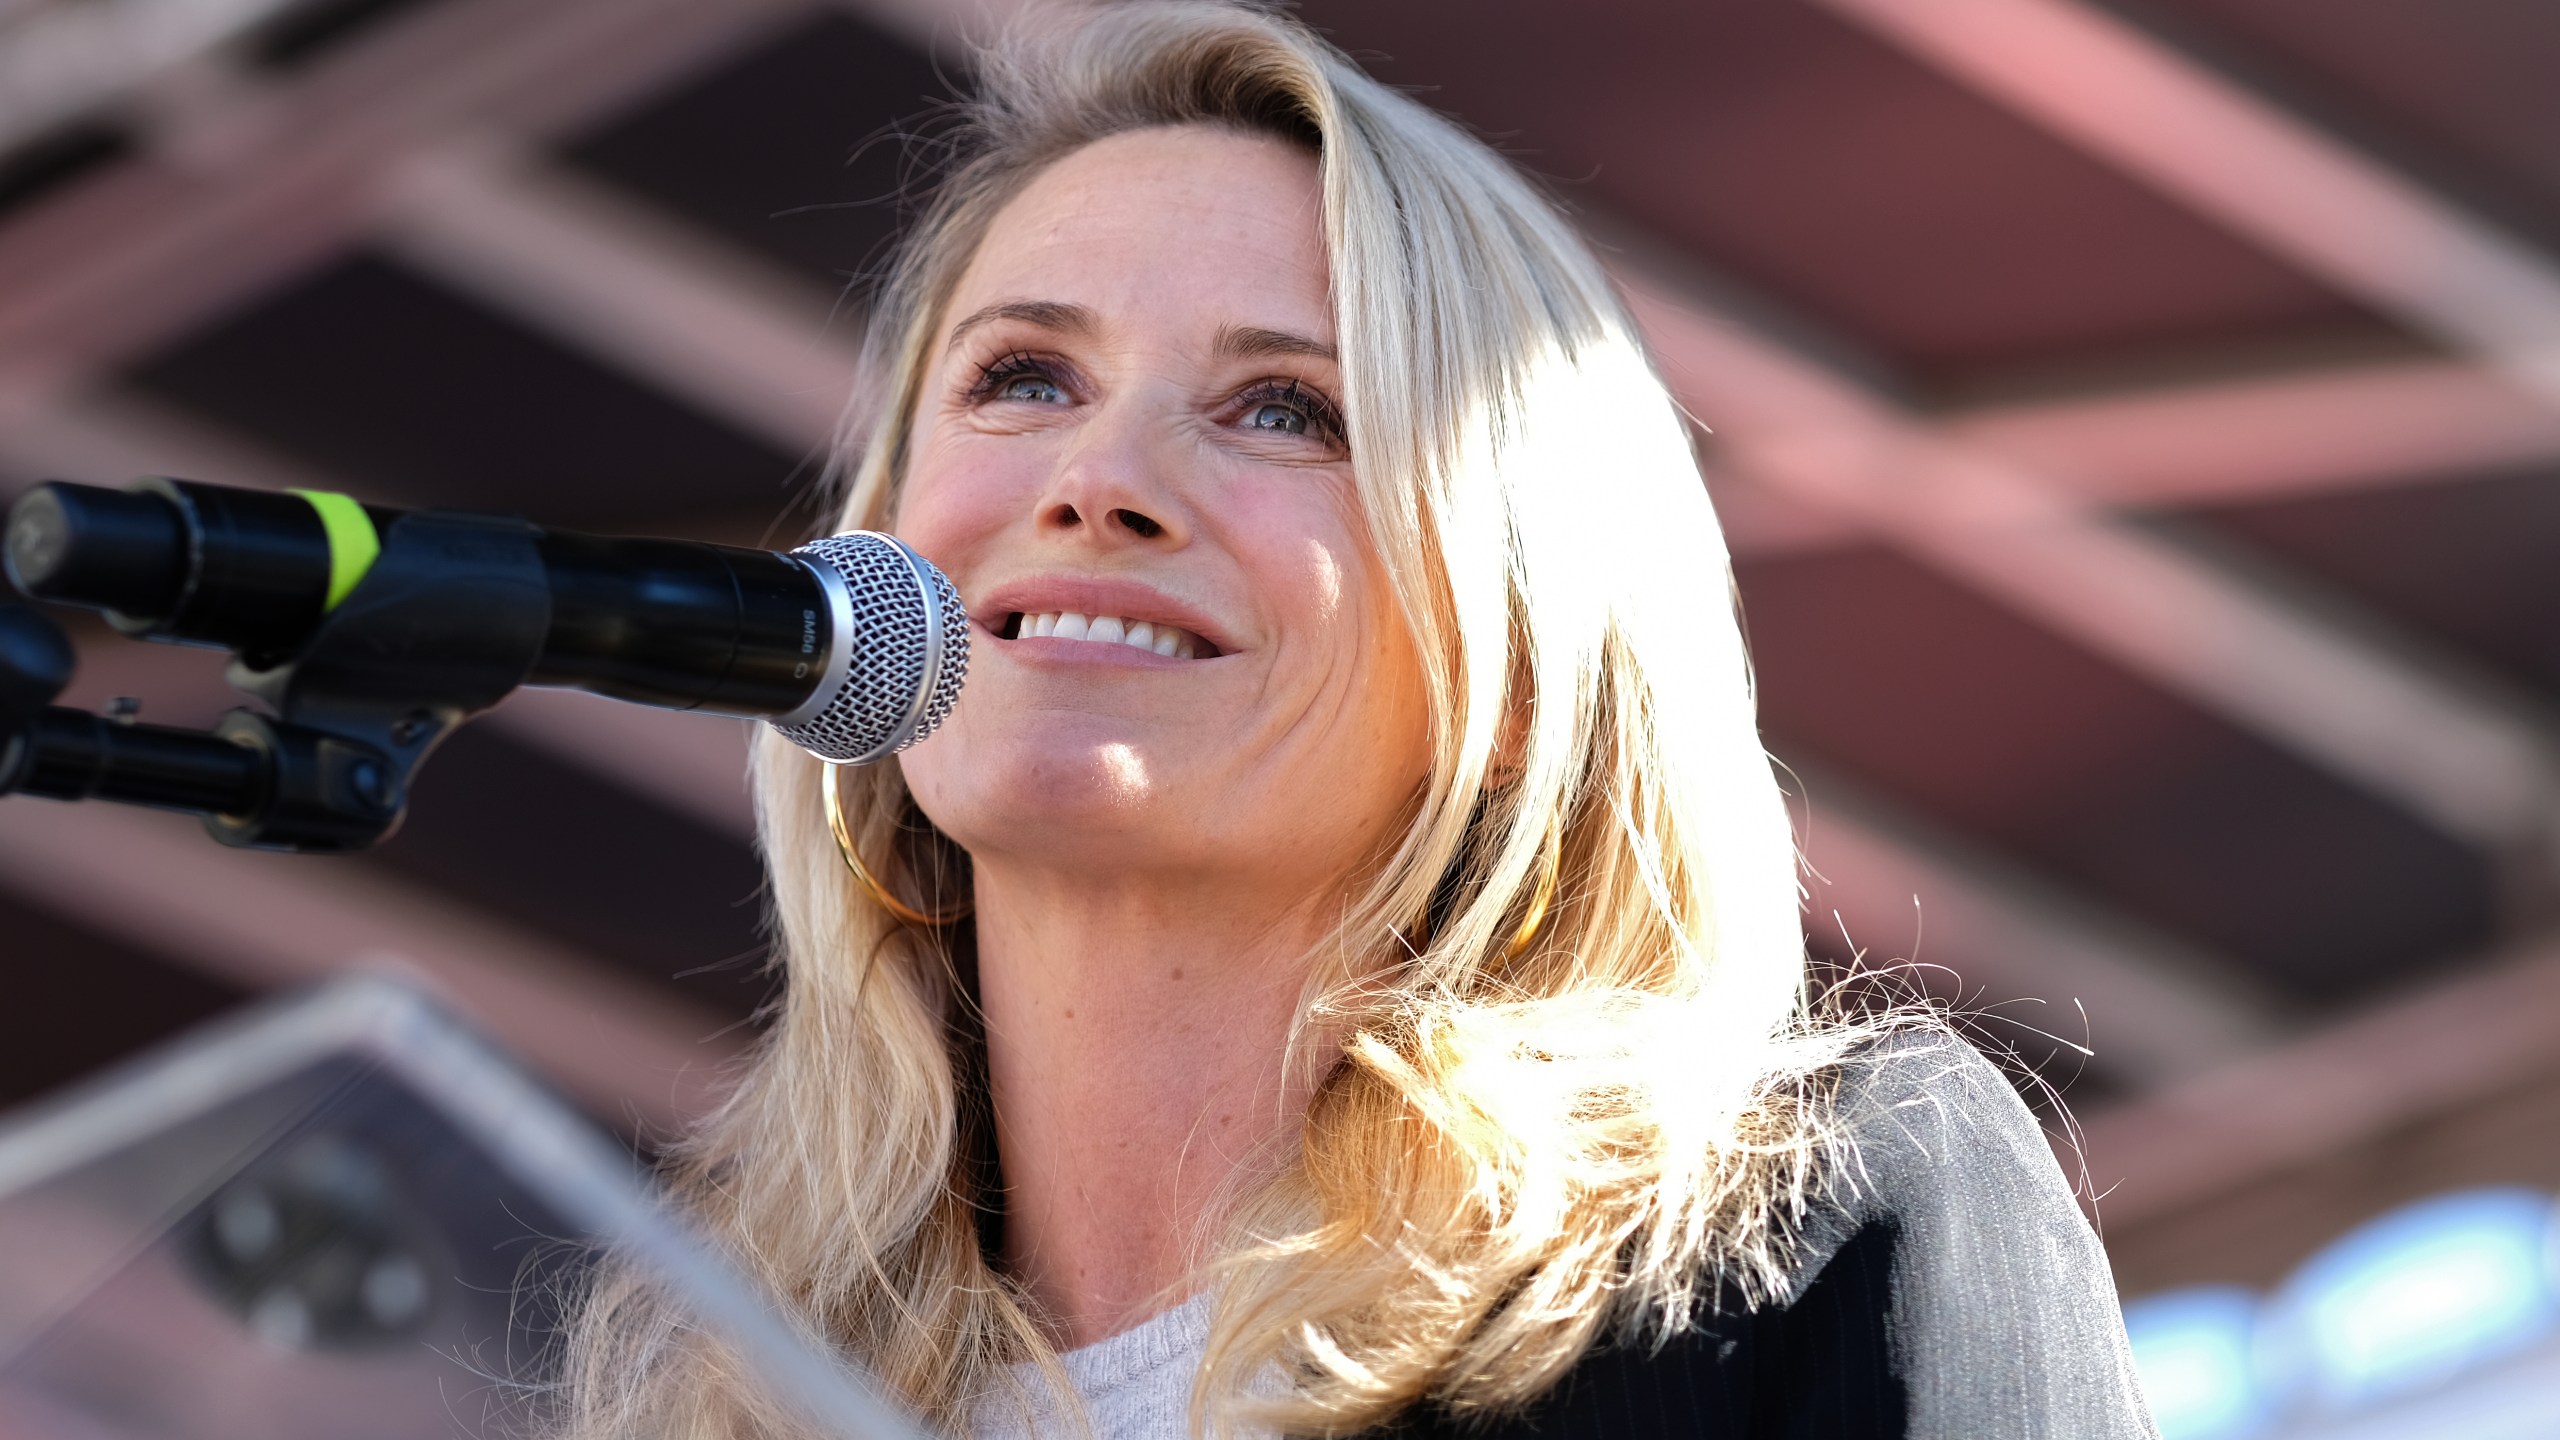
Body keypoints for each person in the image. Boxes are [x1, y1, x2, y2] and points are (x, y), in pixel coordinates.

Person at [562, 5, 2158, 1437]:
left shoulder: (1807, 1234)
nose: (1095, 480)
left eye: (1286, 409)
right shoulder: (721, 1399)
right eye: (1024, 377)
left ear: (1523, 663)